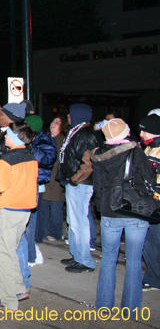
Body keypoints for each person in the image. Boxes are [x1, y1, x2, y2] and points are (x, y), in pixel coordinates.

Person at [92, 118, 153, 315]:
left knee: (109, 258)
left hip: (110, 210)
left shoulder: (100, 155)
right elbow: (149, 178)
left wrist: (102, 209)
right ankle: (131, 308)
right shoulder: (136, 152)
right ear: (126, 133)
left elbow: (98, 187)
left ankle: (104, 305)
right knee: (134, 261)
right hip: (135, 209)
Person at [0, 122, 38, 311]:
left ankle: (8, 300)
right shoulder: (30, 156)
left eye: (7, 134)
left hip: (10, 209)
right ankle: (19, 288)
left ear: (15, 137)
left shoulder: (7, 158)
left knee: (2, 255)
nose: (5, 137)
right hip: (24, 210)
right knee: (13, 250)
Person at [57, 103, 99, 273]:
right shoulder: (76, 133)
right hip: (74, 183)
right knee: (73, 222)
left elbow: (87, 164)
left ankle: (85, 260)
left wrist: (74, 180)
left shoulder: (84, 135)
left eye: (70, 114)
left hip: (80, 184)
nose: (68, 117)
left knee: (79, 223)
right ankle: (77, 254)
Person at [24, 114, 57, 266]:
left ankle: (31, 256)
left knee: (30, 223)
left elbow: (46, 160)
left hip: (36, 183)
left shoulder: (45, 141)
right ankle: (26, 252)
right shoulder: (34, 140)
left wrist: (29, 146)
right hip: (25, 181)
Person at [36, 116, 67, 243]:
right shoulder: (47, 139)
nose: (53, 124)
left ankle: (56, 232)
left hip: (56, 179)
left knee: (55, 207)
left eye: (57, 122)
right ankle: (42, 231)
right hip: (46, 178)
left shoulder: (63, 141)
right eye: (53, 121)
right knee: (43, 207)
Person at [139, 113, 160, 292]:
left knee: (154, 241)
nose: (142, 134)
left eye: (144, 131)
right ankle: (153, 277)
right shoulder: (149, 148)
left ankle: (155, 278)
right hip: (148, 201)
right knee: (149, 241)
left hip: (157, 202)